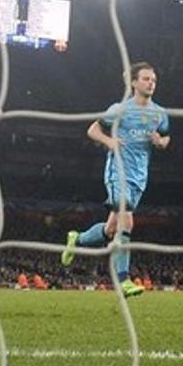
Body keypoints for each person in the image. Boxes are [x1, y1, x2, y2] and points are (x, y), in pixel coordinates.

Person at [60, 62, 170, 298]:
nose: (151, 83)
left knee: (111, 229)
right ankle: (123, 281)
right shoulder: (120, 109)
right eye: (146, 79)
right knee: (126, 222)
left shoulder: (159, 113)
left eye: (153, 80)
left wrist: (159, 142)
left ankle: (77, 239)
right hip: (117, 171)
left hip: (140, 177)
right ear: (133, 83)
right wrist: (110, 142)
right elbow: (93, 130)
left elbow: (166, 138)